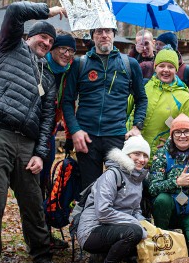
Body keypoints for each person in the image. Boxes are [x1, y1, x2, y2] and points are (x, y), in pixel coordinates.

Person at [0, 1, 65, 263]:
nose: (46, 43)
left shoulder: (47, 77)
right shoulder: (9, 47)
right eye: (42, 37)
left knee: (33, 201)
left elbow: (48, 119)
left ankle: (40, 254)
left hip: (26, 142)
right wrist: (46, 11)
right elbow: (14, 11)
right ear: (29, 36)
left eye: (50, 41)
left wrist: (40, 153)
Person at [62, 26, 148, 191]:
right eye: (99, 32)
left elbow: (142, 98)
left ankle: (118, 217)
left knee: (119, 189)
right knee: (89, 190)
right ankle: (88, 217)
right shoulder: (79, 64)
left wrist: (137, 126)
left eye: (108, 31)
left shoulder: (129, 64)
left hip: (116, 136)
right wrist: (74, 130)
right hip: (86, 138)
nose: (104, 35)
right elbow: (67, 101)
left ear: (114, 35)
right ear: (92, 35)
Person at [77, 135, 151, 263]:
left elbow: (135, 210)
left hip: (111, 228)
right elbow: (103, 212)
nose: (141, 159)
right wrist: (136, 224)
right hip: (91, 231)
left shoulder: (136, 179)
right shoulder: (112, 175)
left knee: (141, 229)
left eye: (145, 155)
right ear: (127, 155)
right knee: (134, 232)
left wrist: (146, 225)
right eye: (137, 154)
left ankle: (101, 258)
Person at [149, 114, 189, 252]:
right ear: (172, 134)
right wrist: (176, 182)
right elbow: (153, 188)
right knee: (161, 200)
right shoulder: (161, 155)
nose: (182, 136)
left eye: (187, 131)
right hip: (168, 210)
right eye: (178, 132)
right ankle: (162, 238)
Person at [40, 34, 77, 249]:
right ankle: (37, 238)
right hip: (33, 133)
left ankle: (44, 234)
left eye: (70, 51)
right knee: (34, 187)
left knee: (47, 185)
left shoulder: (67, 72)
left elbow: (67, 104)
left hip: (50, 134)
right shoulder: (42, 67)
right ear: (53, 49)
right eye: (62, 49)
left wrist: (70, 136)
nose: (66, 53)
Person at [138, 45, 189, 157]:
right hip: (137, 155)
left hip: (161, 158)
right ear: (155, 67)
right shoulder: (145, 87)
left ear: (176, 70)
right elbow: (129, 112)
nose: (166, 70)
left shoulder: (182, 96)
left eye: (170, 66)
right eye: (162, 66)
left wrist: (175, 142)